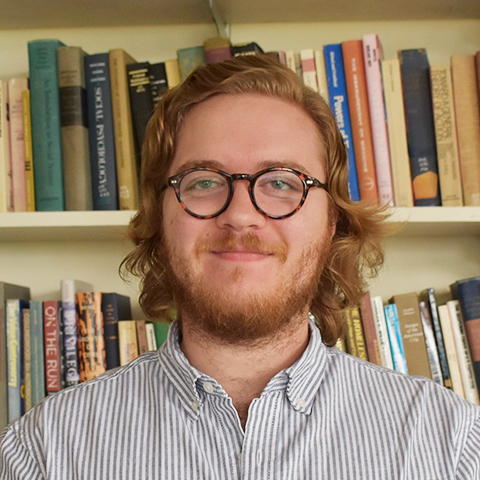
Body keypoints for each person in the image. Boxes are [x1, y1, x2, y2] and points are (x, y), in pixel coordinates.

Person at [1, 55, 479, 479]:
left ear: (333, 220)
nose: (241, 214)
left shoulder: (449, 445)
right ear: (158, 216)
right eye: (204, 180)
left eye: (281, 183)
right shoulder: (43, 452)